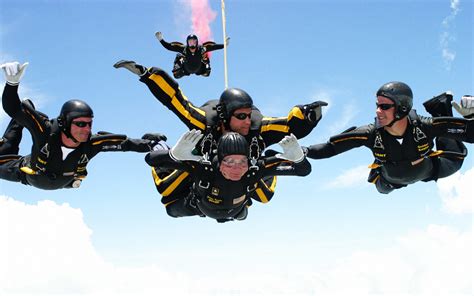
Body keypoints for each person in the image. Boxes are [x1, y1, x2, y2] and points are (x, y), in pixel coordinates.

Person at [113, 60, 326, 215]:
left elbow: (288, 125)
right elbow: (177, 102)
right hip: (201, 165)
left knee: (263, 197)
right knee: (167, 193)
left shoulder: (257, 127)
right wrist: (148, 75)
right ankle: (160, 144)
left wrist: (307, 116)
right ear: (224, 116)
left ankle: (246, 182)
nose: (246, 122)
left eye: (248, 116)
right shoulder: (205, 121)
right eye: (240, 116)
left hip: (241, 176)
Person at [0, 61, 166, 190]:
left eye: (89, 124)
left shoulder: (91, 144)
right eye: (80, 124)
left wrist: (153, 145)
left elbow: (125, 144)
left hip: (62, 182)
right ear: (64, 124)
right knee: (26, 107)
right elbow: (14, 109)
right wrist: (11, 84)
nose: (87, 129)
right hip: (25, 174)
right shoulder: (45, 131)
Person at [305, 81, 474, 194]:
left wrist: (470, 117)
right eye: (377, 105)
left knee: (455, 159)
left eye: (384, 106)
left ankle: (441, 107)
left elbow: (470, 134)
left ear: (402, 108)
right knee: (382, 190)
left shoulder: (424, 127)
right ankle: (381, 169)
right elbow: (330, 148)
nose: (378, 111)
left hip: (429, 170)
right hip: (389, 179)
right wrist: (302, 152)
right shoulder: (370, 134)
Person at [145, 130, 311, 222]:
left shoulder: (254, 170)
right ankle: (157, 143)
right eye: (229, 161)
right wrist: (174, 155)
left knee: (264, 196)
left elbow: (303, 171)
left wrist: (298, 159)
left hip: (232, 209)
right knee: (169, 204)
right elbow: (152, 160)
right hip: (197, 206)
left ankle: (239, 212)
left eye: (242, 161)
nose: (236, 168)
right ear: (218, 161)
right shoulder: (205, 168)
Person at [155, 31, 229, 78]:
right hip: (185, 70)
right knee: (178, 55)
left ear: (197, 43)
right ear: (187, 43)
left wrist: (224, 45)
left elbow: (213, 47)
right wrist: (161, 40)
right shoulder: (184, 49)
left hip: (199, 69)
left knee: (206, 54)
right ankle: (177, 69)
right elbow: (169, 47)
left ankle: (206, 69)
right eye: (190, 42)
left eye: (194, 42)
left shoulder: (201, 49)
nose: (192, 44)